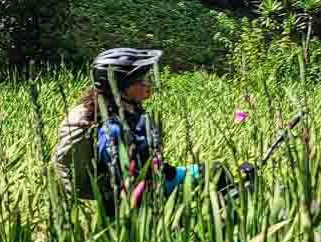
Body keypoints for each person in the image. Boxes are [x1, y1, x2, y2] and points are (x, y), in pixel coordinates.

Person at [51, 47, 246, 210]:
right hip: (141, 197)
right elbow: (125, 183)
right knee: (215, 174)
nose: (147, 84)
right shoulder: (111, 130)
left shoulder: (126, 109)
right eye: (140, 81)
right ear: (120, 87)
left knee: (217, 170)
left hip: (155, 179)